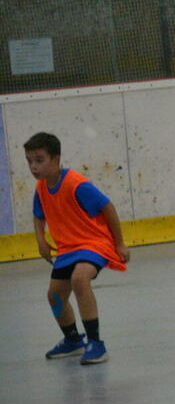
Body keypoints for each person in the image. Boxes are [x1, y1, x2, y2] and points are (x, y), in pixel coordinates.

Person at [24, 132, 130, 364]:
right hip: (67, 249)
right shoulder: (41, 188)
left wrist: (120, 243)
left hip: (95, 243)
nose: (33, 167)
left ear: (56, 159)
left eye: (39, 160)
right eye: (29, 161)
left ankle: (96, 343)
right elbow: (38, 215)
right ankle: (73, 340)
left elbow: (108, 208)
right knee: (55, 297)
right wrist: (41, 240)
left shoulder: (76, 184)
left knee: (80, 279)